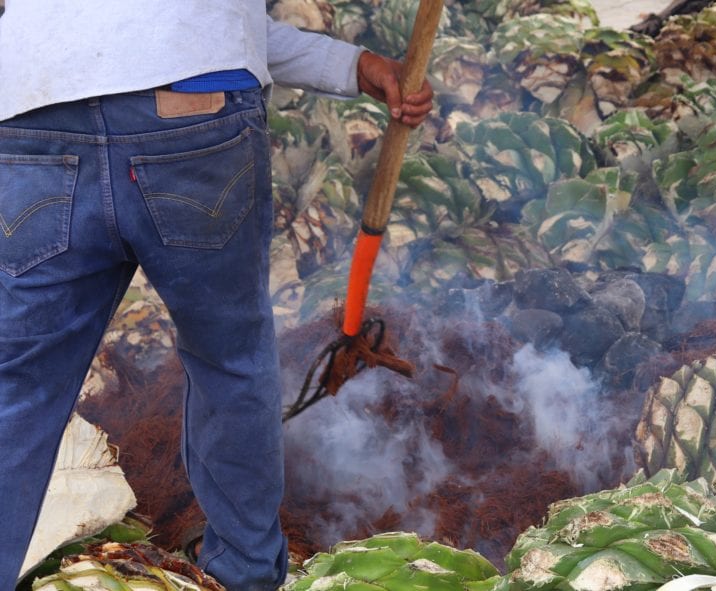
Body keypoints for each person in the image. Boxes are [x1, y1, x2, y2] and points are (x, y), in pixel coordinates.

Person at [0, 3, 433, 590]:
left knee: (17, 388)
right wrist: (354, 64)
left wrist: (354, 65)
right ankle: (245, 575)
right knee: (229, 363)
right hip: (192, 111)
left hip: (33, 111)